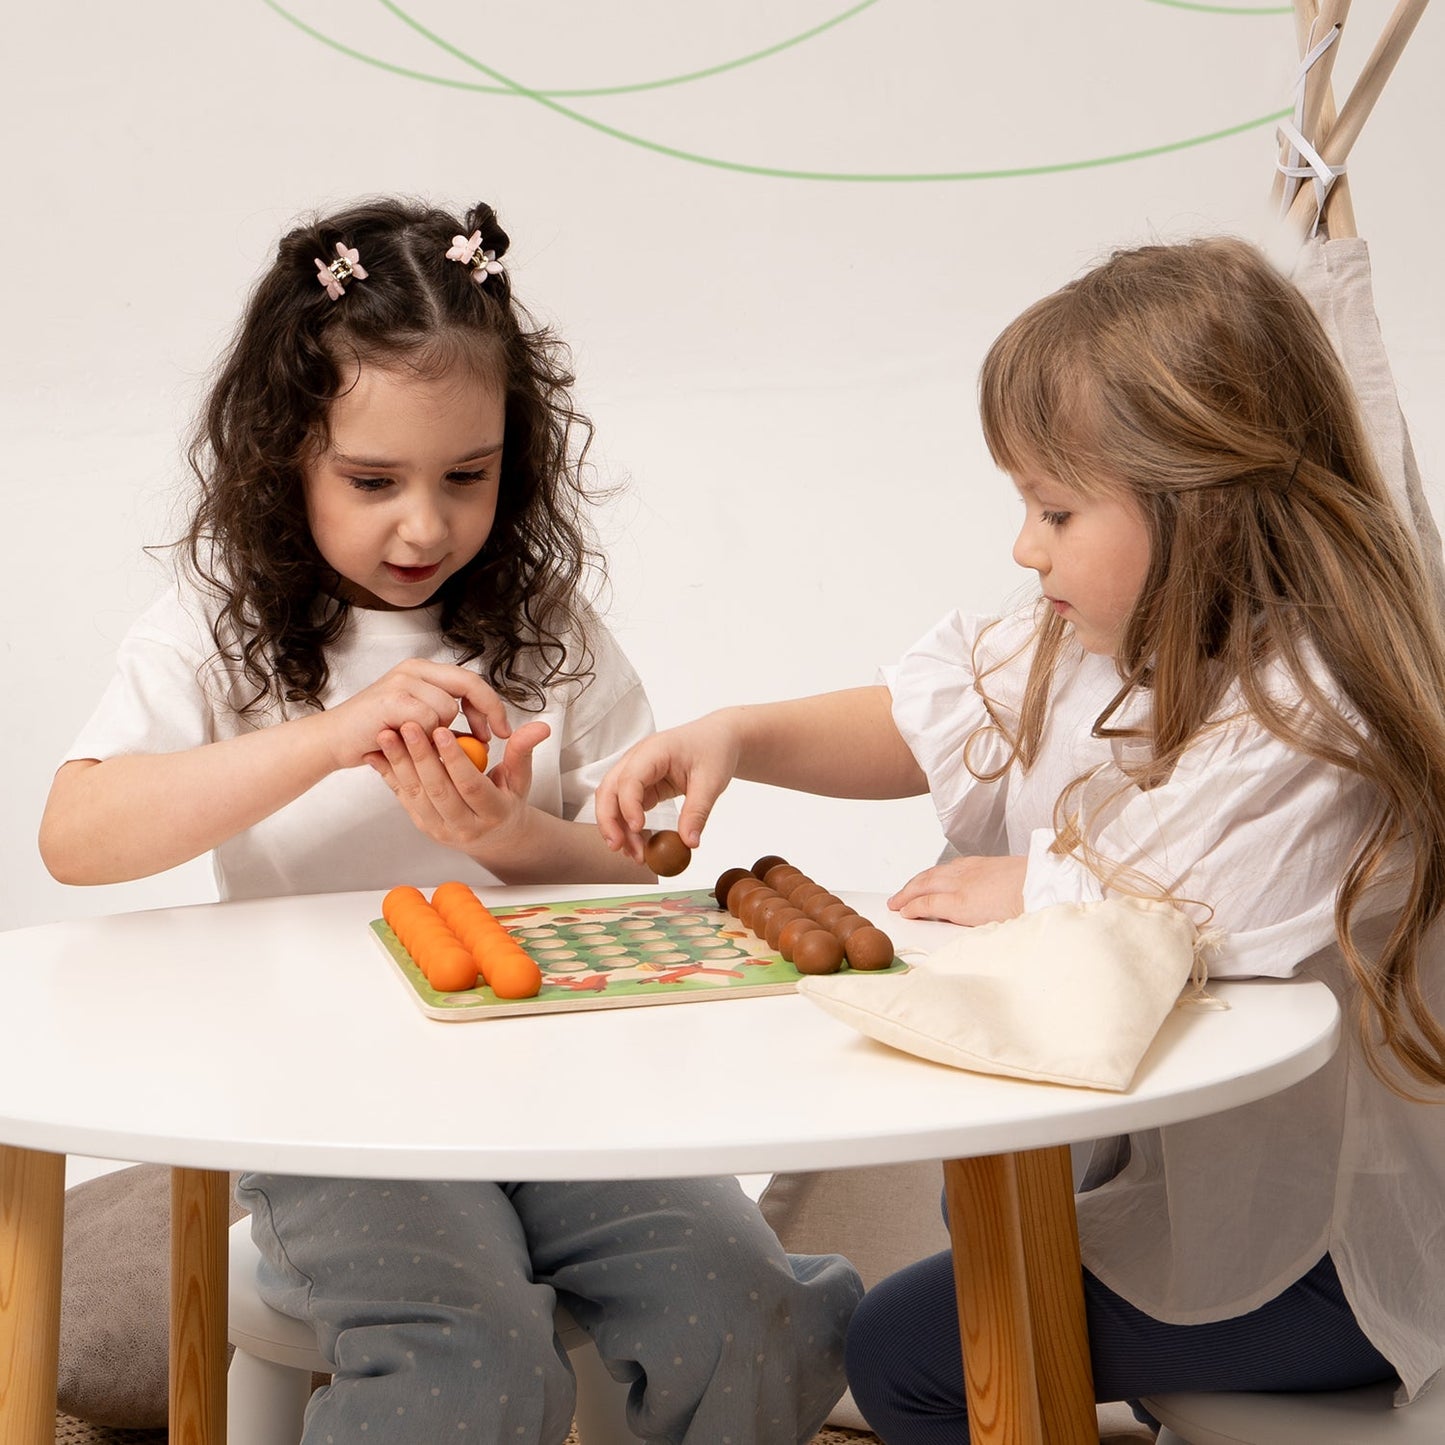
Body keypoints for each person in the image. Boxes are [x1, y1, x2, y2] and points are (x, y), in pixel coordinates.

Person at [39, 197, 861, 1444]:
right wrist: (326, 734)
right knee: (468, 1355)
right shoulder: (217, 635)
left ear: (511, 461)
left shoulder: (548, 631)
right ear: (283, 458)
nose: (423, 525)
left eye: (465, 477)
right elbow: (76, 833)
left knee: (752, 1310)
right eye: (372, 480)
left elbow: (637, 877)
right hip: (329, 1101)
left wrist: (508, 838)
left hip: (559, 1083)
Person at [595, 236, 1445, 1440]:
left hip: (1342, 1248)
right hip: (1222, 1196)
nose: (1023, 546)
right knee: (986, 1214)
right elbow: (948, 713)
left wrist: (1038, 883)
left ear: (1195, 501)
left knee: (911, 1347)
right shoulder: (1123, 640)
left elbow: (1199, 901)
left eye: (1053, 508)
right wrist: (741, 732)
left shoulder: (1321, 704)